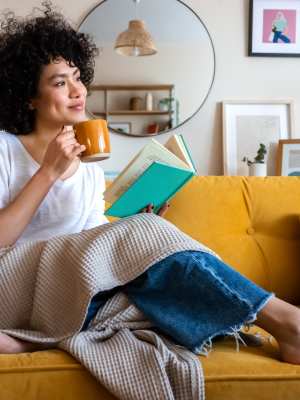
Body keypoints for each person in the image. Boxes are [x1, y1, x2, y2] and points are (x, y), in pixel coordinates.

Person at [0, 2, 300, 366]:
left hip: (67, 288)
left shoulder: (89, 168)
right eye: (60, 82)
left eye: (78, 77)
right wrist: (47, 173)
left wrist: (139, 227)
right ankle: (287, 321)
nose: (78, 90)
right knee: (147, 267)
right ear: (30, 97)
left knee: (149, 285)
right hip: (14, 283)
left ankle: (34, 340)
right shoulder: (5, 149)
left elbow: (92, 246)